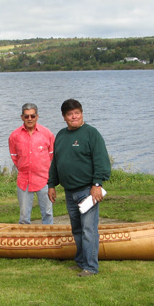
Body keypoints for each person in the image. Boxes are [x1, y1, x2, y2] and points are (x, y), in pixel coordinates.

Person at [48, 99, 111, 277]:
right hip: (70, 191)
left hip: (87, 190)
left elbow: (101, 161)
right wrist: (51, 184)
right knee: (76, 229)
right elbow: (56, 163)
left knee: (88, 229)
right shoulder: (60, 136)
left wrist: (97, 185)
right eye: (70, 114)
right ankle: (81, 262)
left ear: (82, 113)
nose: (74, 116)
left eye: (77, 113)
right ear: (64, 117)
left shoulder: (91, 134)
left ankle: (91, 267)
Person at [8, 103, 55, 224]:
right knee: (24, 216)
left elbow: (52, 156)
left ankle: (48, 239)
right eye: (26, 116)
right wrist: (25, 167)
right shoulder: (14, 135)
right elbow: (14, 157)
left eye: (32, 116)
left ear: (37, 117)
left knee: (48, 213)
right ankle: (25, 241)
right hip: (24, 180)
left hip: (44, 180)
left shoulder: (47, 134)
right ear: (22, 117)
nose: (29, 119)